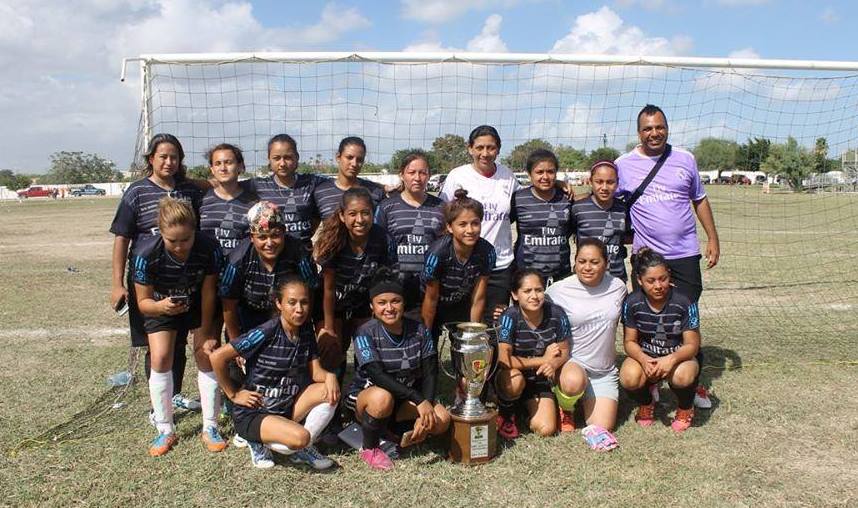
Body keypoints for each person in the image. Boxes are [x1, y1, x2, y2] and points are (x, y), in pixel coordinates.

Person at [615, 104, 720, 407]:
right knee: (649, 322)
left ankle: (692, 385)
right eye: (647, 128)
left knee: (685, 321)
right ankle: (651, 381)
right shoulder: (624, 163)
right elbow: (605, 192)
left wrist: (712, 237)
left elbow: (699, 199)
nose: (654, 133)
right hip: (647, 258)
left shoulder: (685, 158)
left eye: (659, 127)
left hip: (685, 254)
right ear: (639, 132)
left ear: (667, 128)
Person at [110, 133, 205, 413]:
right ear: (151, 159)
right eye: (163, 156)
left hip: (184, 279)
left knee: (178, 339)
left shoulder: (188, 192)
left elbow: (213, 188)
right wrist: (117, 284)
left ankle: (173, 395)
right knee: (157, 343)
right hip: (148, 280)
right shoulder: (137, 192)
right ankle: (158, 408)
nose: (169, 161)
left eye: (174, 156)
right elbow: (121, 238)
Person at [209, 277, 339, 469]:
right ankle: (257, 440)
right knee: (301, 437)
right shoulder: (266, 332)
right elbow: (217, 357)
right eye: (292, 302)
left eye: (304, 302)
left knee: (329, 393)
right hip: (255, 412)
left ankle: (300, 446)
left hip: (284, 407)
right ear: (279, 304)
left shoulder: (306, 332)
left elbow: (316, 372)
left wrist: (330, 376)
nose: (299, 309)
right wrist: (234, 394)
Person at [130, 196, 222, 456]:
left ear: (195, 231)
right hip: (161, 305)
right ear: (160, 233)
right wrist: (162, 307)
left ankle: (211, 426)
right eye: (172, 241)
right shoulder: (144, 253)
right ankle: (165, 429)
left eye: (186, 240)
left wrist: (205, 329)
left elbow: (208, 293)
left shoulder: (209, 247)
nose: (180, 247)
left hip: (197, 303)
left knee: (206, 355)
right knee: (160, 357)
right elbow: (143, 303)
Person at [345, 269, 450, 470]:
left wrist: (425, 407)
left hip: (402, 399)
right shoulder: (364, 332)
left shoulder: (420, 330)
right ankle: (370, 448)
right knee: (382, 398)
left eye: (395, 301)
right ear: (372, 307)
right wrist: (419, 400)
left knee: (442, 420)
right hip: (368, 397)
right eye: (382, 303)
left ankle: (395, 432)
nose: (389, 308)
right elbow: (377, 374)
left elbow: (430, 371)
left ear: (403, 303)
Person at [546, 238, 627, 451]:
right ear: (574, 262)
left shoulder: (618, 287)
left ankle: (585, 400)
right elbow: (536, 315)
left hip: (603, 370)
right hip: (572, 364)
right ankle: (567, 407)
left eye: (594, 262)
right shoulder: (558, 290)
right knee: (573, 382)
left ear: (606, 263)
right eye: (582, 261)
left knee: (602, 426)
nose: (587, 267)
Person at [314, 187, 397, 377]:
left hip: (361, 301)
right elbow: (328, 288)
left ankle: (361, 392)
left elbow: (385, 280)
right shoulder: (333, 240)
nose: (359, 220)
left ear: (373, 213)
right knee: (332, 351)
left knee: (367, 347)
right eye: (352, 214)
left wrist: (378, 316)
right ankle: (331, 401)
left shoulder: (383, 238)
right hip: (332, 302)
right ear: (342, 216)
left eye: (365, 213)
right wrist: (328, 328)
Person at [439, 126, 518, 323]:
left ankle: (494, 355)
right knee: (464, 325)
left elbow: (521, 205)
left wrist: (559, 184)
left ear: (498, 149)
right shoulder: (457, 176)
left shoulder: (508, 176)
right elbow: (444, 216)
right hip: (465, 264)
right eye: (480, 147)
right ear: (470, 149)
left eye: (490, 148)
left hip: (499, 264)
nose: (485, 153)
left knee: (494, 324)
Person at [619, 248, 701, 433]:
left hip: (678, 357)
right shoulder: (632, 302)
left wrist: (670, 359)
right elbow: (629, 342)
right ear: (640, 281)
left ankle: (685, 408)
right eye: (651, 281)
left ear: (669, 276)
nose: (658, 285)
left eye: (662, 278)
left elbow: (692, 344)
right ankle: (647, 403)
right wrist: (643, 359)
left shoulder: (685, 300)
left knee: (682, 376)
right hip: (647, 356)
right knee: (628, 377)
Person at [219, 201, 318, 340]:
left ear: (284, 233)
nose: (269, 243)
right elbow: (228, 303)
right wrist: (236, 341)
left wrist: (302, 326)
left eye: (275, 235)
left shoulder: (299, 253)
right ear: (252, 237)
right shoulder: (237, 260)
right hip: (248, 320)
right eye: (262, 237)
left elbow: (311, 290)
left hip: (289, 318)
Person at [494, 270, 570, 439]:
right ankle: (507, 413)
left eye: (539, 290)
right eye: (527, 291)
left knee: (546, 429)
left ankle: (523, 409)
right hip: (513, 376)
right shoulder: (509, 317)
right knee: (514, 381)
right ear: (515, 294)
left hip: (540, 381)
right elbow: (504, 360)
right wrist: (543, 360)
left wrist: (553, 364)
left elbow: (565, 351)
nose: (534, 296)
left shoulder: (557, 314)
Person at [374, 151, 445, 314]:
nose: (417, 178)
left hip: (430, 287)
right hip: (396, 287)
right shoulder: (386, 207)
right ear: (402, 174)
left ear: (429, 175)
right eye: (412, 172)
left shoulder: (441, 207)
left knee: (427, 336)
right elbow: (377, 246)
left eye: (423, 173)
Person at [420, 189, 496, 339]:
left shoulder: (487, 252)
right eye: (462, 224)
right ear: (449, 227)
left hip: (463, 302)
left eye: (475, 223)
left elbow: (478, 297)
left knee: (469, 347)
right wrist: (426, 336)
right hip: (435, 304)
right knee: (428, 349)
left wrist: (474, 334)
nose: (470, 230)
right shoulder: (437, 254)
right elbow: (431, 299)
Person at [243, 134, 320, 252]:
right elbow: (227, 185)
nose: (282, 163)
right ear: (269, 159)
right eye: (276, 158)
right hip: (273, 255)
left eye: (288, 157)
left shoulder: (312, 182)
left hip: (303, 255)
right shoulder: (258, 185)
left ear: (297, 157)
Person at [510, 149, 574, 285]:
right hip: (526, 274)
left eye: (550, 172)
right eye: (539, 172)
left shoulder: (567, 198)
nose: (545, 177)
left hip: (561, 274)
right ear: (529, 174)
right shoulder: (518, 198)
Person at [570, 161, 629, 282]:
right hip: (587, 277)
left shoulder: (623, 208)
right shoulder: (578, 208)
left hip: (616, 277)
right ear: (590, 182)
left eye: (610, 182)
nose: (604, 187)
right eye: (599, 182)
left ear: (617, 183)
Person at [199, 143, 257, 255]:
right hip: (208, 270)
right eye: (218, 164)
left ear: (240, 166)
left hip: (240, 269)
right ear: (212, 169)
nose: (223, 168)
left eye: (228, 162)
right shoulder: (201, 201)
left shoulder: (253, 204)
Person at [314, 136, 386, 220]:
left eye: (359, 159)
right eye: (349, 157)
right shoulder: (320, 192)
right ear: (338, 157)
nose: (354, 164)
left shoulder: (376, 192)